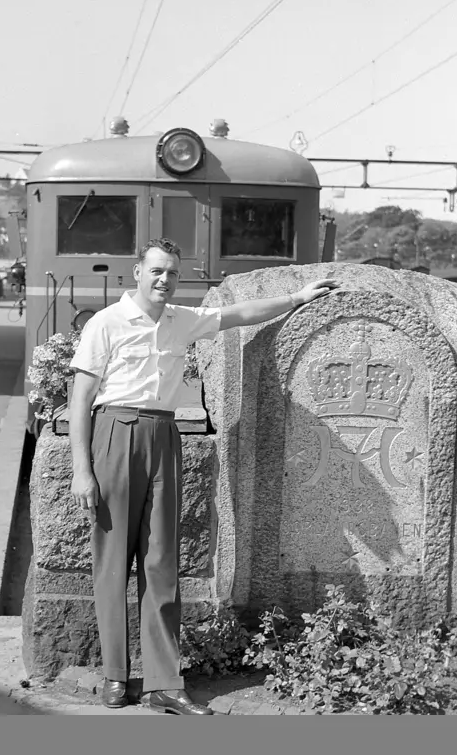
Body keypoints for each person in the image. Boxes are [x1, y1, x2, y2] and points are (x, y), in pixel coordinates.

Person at [67, 238, 337, 715]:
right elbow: (80, 401)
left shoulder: (182, 320)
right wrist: (81, 471)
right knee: (112, 564)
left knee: (161, 561)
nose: (164, 280)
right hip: (114, 434)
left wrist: (296, 299)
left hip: (163, 436)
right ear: (137, 272)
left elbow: (240, 314)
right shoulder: (105, 323)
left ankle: (163, 684)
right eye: (156, 271)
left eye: (171, 272)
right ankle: (115, 675)